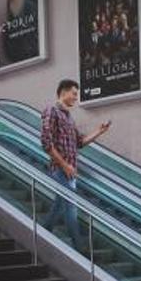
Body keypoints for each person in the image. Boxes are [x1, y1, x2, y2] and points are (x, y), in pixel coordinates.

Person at [39, 79, 111, 250]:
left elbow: (80, 142)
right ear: (63, 92)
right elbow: (46, 143)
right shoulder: (51, 111)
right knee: (71, 207)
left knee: (59, 206)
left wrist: (99, 132)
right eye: (74, 93)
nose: (76, 97)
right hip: (61, 169)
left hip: (70, 171)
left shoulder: (69, 117)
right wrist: (65, 166)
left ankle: (42, 232)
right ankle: (79, 248)